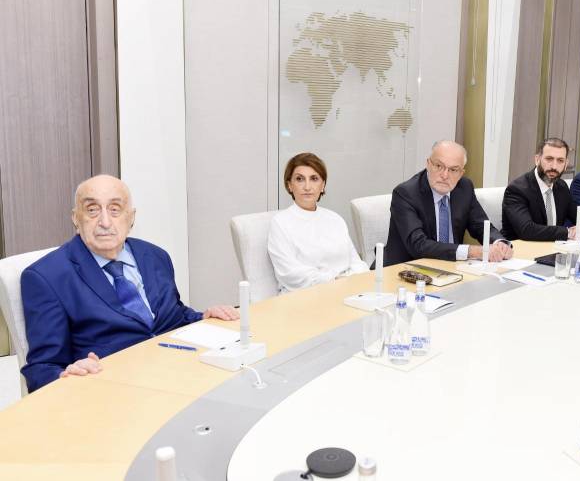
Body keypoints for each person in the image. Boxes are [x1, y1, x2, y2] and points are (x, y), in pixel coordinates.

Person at [21, 175, 238, 393]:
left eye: (115, 209)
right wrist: (67, 373)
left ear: (131, 218)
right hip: (114, 391)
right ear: (76, 219)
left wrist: (203, 317)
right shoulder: (46, 277)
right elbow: (41, 368)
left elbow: (175, 315)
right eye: (92, 210)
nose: (105, 222)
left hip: (177, 376)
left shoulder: (155, 256)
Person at [383, 140, 512, 267]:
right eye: (439, 166)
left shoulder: (464, 187)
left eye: (453, 170)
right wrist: (472, 251)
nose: (445, 175)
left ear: (461, 173)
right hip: (407, 269)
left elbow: (481, 225)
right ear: (428, 164)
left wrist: (500, 243)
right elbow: (418, 245)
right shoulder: (406, 194)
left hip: (452, 268)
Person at [268, 152, 368, 292]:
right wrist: (335, 280)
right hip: (303, 297)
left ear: (323, 186)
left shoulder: (335, 219)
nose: (307, 187)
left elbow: (358, 265)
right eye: (300, 179)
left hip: (344, 291)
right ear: (289, 185)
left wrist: (343, 281)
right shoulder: (281, 223)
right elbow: (290, 274)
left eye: (314, 179)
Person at [502, 137, 580, 241]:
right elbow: (527, 230)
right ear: (537, 160)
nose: (554, 166)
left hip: (554, 247)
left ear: (566, 164)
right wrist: (568, 232)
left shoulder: (561, 186)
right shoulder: (517, 189)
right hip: (521, 249)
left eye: (560, 161)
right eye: (549, 159)